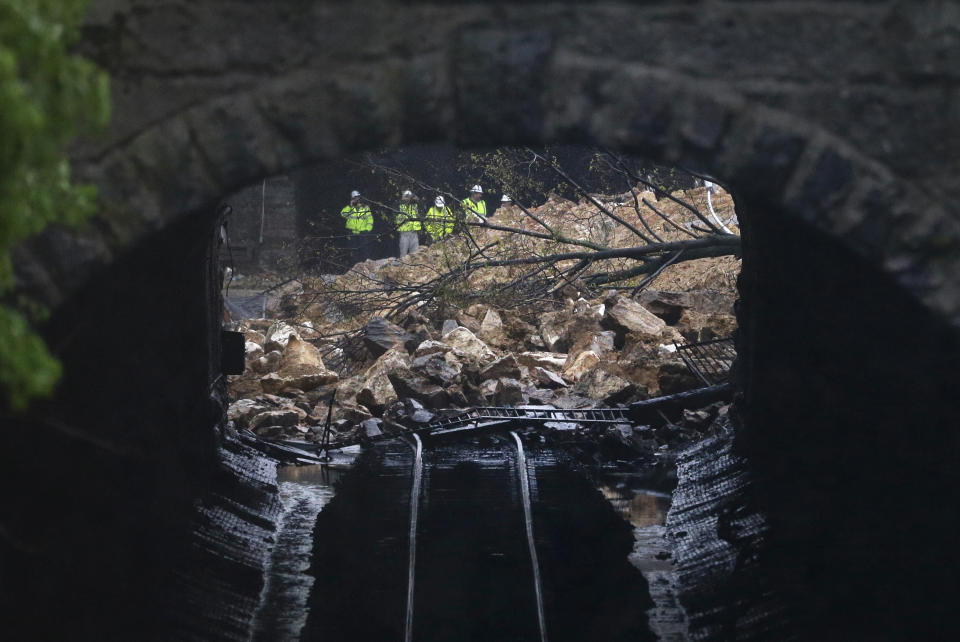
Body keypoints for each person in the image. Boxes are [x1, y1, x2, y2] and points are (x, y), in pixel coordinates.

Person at [340, 190, 373, 263]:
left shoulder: (365, 207)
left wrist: (367, 229)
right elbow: (343, 214)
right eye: (355, 198)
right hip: (352, 232)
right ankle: (354, 265)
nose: (357, 199)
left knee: (364, 249)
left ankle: (366, 264)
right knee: (353, 250)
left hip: (363, 232)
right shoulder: (350, 208)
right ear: (352, 199)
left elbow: (370, 220)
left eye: (358, 197)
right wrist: (350, 206)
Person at [396, 189, 421, 258]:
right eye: (406, 197)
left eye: (409, 197)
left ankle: (414, 268)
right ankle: (403, 267)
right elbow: (394, 215)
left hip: (414, 232)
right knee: (403, 254)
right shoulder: (399, 206)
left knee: (415, 254)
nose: (408, 199)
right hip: (404, 233)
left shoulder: (415, 206)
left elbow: (421, 206)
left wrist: (417, 199)